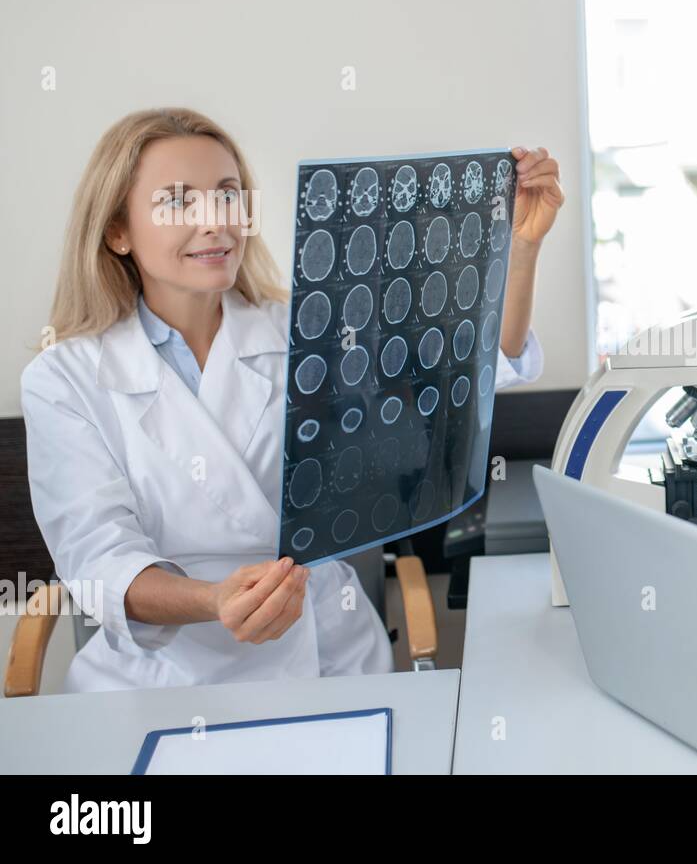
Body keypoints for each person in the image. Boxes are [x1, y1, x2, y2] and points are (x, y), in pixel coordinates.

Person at [22, 107, 564, 692]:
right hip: (158, 680)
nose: (214, 222)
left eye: (228, 195)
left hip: (324, 655)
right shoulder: (64, 377)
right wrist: (214, 600)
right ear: (117, 231)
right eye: (177, 202)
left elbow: (472, 373)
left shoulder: (314, 328)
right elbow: (99, 557)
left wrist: (522, 245)